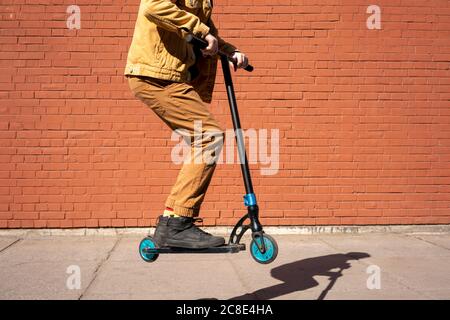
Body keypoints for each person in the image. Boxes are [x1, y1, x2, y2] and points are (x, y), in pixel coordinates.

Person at [125, 0, 249, 249]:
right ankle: (177, 224)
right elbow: (153, 6)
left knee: (207, 137)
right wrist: (201, 31)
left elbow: (207, 30)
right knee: (209, 137)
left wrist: (229, 50)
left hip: (170, 77)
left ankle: (173, 220)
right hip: (155, 75)